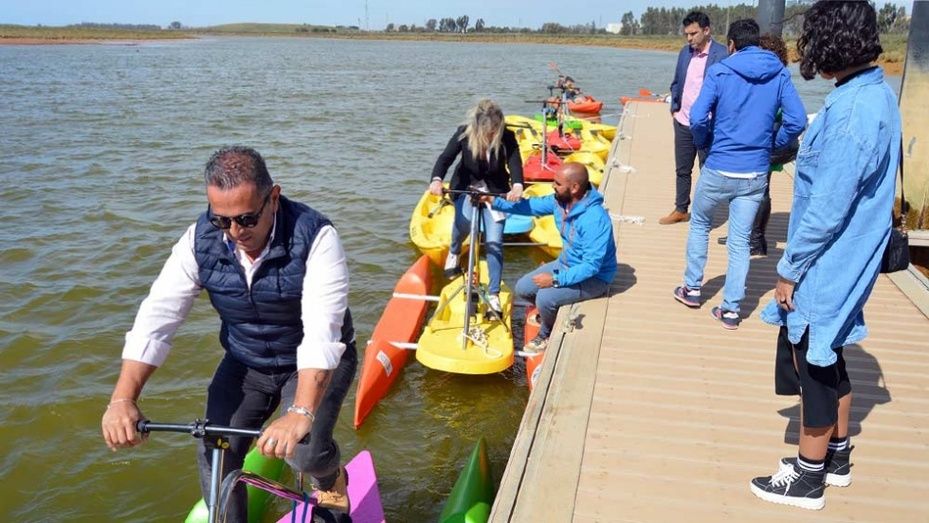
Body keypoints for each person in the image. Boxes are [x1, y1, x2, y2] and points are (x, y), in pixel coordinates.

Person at [101, 146, 357, 520]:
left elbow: (322, 331)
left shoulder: (317, 237)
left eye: (247, 219)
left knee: (304, 450)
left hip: (314, 359)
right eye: (222, 220)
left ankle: (331, 477)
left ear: (274, 197)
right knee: (215, 452)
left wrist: (300, 411)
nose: (235, 232)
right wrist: (122, 399)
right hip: (247, 361)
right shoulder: (198, 240)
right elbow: (158, 316)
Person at [750, 1, 901, 510]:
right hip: (849, 256)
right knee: (831, 352)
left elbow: (827, 211)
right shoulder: (871, 93)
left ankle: (808, 477)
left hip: (830, 260)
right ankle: (836, 457)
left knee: (812, 361)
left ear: (832, 44)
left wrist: (789, 270)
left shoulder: (854, 112)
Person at [672, 18, 806, 330]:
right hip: (755, 173)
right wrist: (774, 144)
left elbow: (697, 115)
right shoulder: (779, 74)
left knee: (701, 225)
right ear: (757, 43)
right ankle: (731, 310)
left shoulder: (721, 70)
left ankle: (692, 289)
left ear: (731, 45)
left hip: (719, 165)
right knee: (740, 240)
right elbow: (797, 120)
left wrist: (705, 141)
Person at [486, 163, 616, 353]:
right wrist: (493, 201)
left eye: (557, 183)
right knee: (523, 287)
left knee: (545, 297)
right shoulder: (559, 201)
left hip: (595, 278)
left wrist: (555, 280)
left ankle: (545, 334)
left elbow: (591, 266)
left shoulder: (595, 219)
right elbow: (530, 206)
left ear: (575, 188)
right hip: (566, 263)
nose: (552, 186)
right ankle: (553, 308)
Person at [430, 99, 524, 313]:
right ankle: (454, 251)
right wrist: (436, 179)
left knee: (495, 241)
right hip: (466, 188)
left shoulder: (507, 137)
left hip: (494, 191)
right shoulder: (464, 133)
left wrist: (517, 185)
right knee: (464, 223)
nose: (491, 137)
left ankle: (493, 295)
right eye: (488, 132)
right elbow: (445, 158)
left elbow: (515, 161)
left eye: (494, 132)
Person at [660, 11, 729, 225]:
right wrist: (674, 107)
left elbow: (728, 90)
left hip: (708, 125)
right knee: (682, 169)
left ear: (706, 31)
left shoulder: (723, 54)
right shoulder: (684, 53)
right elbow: (676, 82)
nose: (690, 38)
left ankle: (704, 215)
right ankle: (681, 209)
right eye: (686, 34)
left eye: (694, 33)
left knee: (707, 171)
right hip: (682, 120)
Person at [751, 33, 801, 256]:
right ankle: (750, 235)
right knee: (757, 189)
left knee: (760, 190)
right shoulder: (778, 76)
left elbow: (793, 117)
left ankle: (757, 240)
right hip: (766, 141)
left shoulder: (775, 78)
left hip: (766, 142)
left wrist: (775, 142)